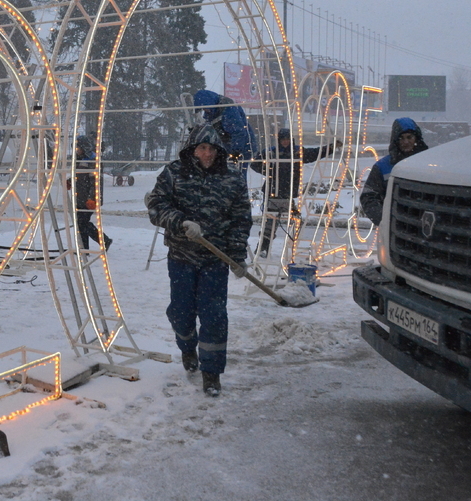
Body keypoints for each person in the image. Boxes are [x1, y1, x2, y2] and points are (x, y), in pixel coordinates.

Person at [145, 123, 252, 397]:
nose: (208, 154)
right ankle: (187, 348)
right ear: (192, 150)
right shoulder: (173, 173)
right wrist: (180, 222)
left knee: (214, 316)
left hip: (215, 260)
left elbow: (241, 220)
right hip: (181, 256)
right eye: (203, 148)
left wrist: (237, 255)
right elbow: (156, 207)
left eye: (212, 148)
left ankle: (212, 373)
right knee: (181, 313)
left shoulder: (232, 178)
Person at [251, 127, 341, 258]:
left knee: (293, 220)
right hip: (273, 192)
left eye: (287, 139)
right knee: (270, 221)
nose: (285, 142)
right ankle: (263, 247)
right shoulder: (270, 152)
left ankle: (291, 247)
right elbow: (254, 164)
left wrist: (331, 148)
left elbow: (315, 153)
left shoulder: (298, 152)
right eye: (283, 140)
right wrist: (269, 172)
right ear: (279, 140)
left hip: (288, 192)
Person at [360, 117, 429, 226]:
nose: (406, 142)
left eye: (409, 137)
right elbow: (368, 197)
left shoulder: (429, 164)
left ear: (417, 138)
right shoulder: (382, 167)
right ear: (395, 140)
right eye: (401, 138)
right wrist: (385, 221)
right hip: (395, 231)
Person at [192, 89, 257, 175]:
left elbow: (239, 132)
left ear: (208, 103)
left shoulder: (228, 109)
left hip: (241, 148)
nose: (204, 110)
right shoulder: (211, 111)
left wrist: (235, 152)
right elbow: (209, 128)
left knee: (237, 176)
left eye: (204, 107)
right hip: (227, 149)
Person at [72, 135, 112, 252]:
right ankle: (85, 247)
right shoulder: (79, 160)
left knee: (82, 222)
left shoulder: (92, 160)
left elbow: (94, 182)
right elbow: (78, 176)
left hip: (89, 199)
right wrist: (71, 181)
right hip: (80, 197)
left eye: (78, 148)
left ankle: (102, 241)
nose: (77, 150)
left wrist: (92, 198)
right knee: (80, 223)